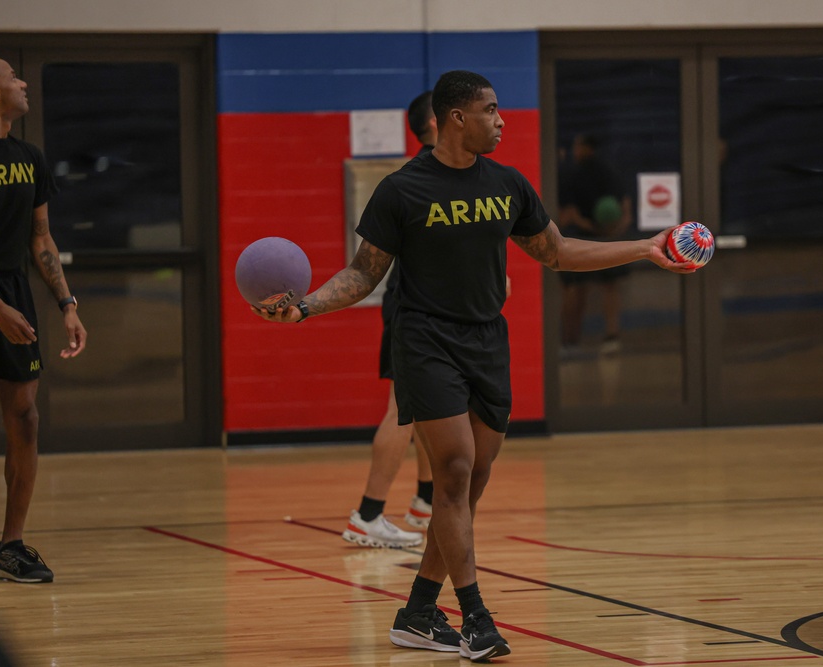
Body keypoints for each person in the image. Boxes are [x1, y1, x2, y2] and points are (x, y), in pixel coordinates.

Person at [253, 70, 694, 662]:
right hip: (425, 342)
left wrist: (645, 248)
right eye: (491, 110)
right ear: (456, 118)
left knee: (471, 483)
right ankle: (477, 619)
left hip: (488, 342)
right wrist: (305, 308)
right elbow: (363, 273)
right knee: (455, 470)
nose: (502, 120)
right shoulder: (401, 190)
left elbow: (558, 252)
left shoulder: (507, 183)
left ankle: (416, 612)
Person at [0, 58, 87, 583]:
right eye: (13, 77)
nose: (23, 83)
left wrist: (68, 305)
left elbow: (41, 239)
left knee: (26, 419)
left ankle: (10, 546)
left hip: (11, 293)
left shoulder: (30, 158)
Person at [341, 90, 437, 549]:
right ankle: (368, 515)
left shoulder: (453, 171)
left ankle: (425, 503)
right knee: (402, 410)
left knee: (431, 409)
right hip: (414, 308)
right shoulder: (417, 179)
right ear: (441, 122)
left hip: (438, 309)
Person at [557, 133, 633, 352]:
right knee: (609, 287)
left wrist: (589, 228)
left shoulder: (572, 174)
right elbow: (626, 209)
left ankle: (570, 340)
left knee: (575, 289)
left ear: (585, 148)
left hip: (580, 237)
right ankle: (612, 336)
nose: (574, 151)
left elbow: (568, 215)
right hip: (608, 237)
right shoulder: (610, 172)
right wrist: (612, 231)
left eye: (577, 146)